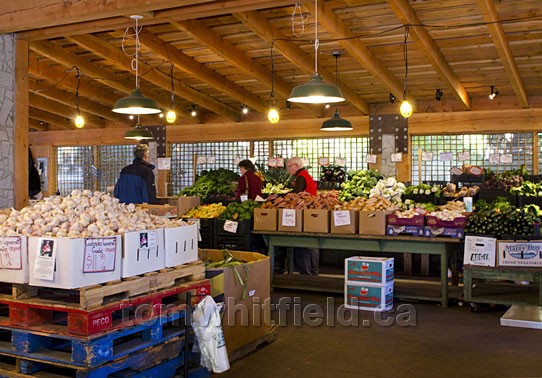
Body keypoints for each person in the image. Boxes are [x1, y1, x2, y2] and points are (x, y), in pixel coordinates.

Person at [286, 157, 319, 275]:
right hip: (312, 212)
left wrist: (281, 196)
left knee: (302, 244)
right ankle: (313, 272)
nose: (288, 170)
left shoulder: (301, 177)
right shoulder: (305, 175)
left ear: (295, 166)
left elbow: (296, 193)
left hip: (305, 213)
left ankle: (306, 274)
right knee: (312, 244)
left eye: (288, 167)